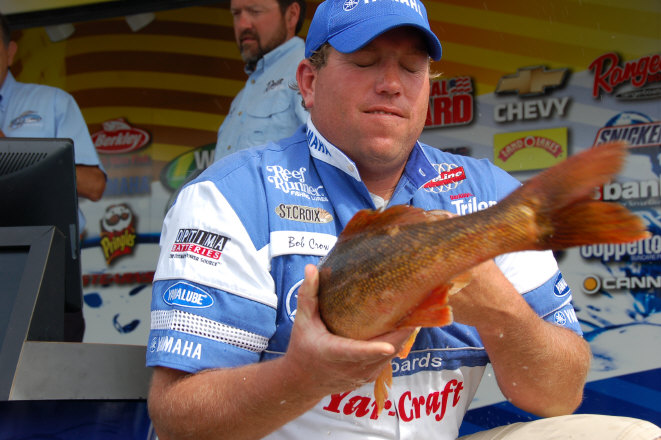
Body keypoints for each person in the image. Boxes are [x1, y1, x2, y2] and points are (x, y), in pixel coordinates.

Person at [146, 1, 661, 439]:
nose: (391, 84)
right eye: (365, 62)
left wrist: (499, 309)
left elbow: (559, 396)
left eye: (412, 68)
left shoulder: (489, 196)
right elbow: (176, 420)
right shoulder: (230, 197)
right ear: (309, 81)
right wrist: (303, 375)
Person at [0, 13, 106, 341]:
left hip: (42, 274)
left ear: (10, 52)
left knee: (46, 369)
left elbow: (94, 185)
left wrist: (9, 151)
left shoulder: (52, 103)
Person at [213, 0, 308, 163]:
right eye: (236, 13)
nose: (242, 24)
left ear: (292, 14)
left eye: (255, 11)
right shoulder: (244, 94)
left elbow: (329, 160)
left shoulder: (306, 71)